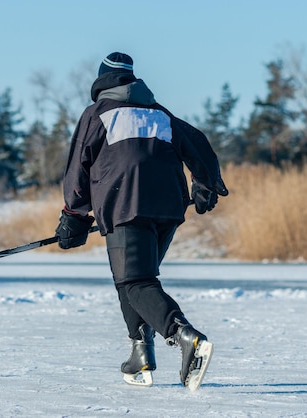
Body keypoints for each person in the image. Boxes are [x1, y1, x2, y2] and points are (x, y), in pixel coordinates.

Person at [54, 52, 229, 390]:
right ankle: (141, 354)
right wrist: (206, 184)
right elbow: (198, 144)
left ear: (102, 82)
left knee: (136, 283)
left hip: (125, 204)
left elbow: (78, 169)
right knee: (134, 281)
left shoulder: (97, 115)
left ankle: (184, 336)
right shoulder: (160, 113)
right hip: (167, 209)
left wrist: (73, 215)